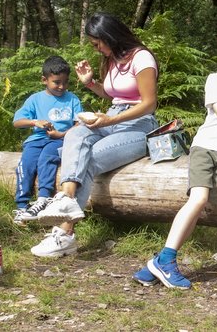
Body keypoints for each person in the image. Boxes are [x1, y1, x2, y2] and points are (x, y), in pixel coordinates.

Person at [134, 28, 217, 289]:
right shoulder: (216, 80)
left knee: (197, 212)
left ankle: (155, 265)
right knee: (199, 199)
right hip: (206, 148)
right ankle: (168, 261)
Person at [29, 13, 159, 257]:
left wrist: (111, 119)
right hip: (112, 116)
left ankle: (64, 234)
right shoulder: (112, 59)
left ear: (109, 36)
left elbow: (149, 103)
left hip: (139, 125)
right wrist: (90, 83)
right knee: (75, 135)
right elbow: (116, 98)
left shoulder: (142, 58)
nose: (96, 48)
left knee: (89, 157)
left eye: (97, 43)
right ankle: (66, 198)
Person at [12, 56, 83, 224]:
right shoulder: (35, 99)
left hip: (60, 140)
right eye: (56, 82)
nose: (61, 87)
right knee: (26, 164)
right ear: (44, 80)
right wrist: (34, 122)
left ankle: (43, 199)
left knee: (47, 158)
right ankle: (22, 206)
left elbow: (79, 125)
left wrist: (61, 134)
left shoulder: (72, 99)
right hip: (36, 139)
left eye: (65, 82)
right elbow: (17, 122)